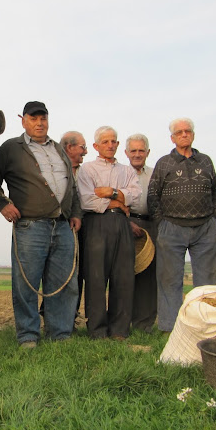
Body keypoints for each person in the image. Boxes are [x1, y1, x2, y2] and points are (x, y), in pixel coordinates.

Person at [0, 101, 81, 348]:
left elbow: (71, 184)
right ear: (23, 120)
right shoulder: (11, 148)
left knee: (64, 283)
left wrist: (76, 213)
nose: (39, 123)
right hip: (29, 226)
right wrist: (3, 204)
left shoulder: (59, 149)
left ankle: (60, 335)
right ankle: (28, 336)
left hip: (63, 225)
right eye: (33, 118)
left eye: (43, 118)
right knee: (26, 284)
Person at [148, 118, 216, 332]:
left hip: (205, 229)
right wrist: (162, 224)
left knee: (207, 282)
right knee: (169, 280)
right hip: (171, 227)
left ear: (193, 134)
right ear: (172, 138)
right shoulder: (164, 163)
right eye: (179, 132)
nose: (184, 134)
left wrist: (215, 220)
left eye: (187, 131)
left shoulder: (206, 161)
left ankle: (204, 327)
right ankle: (170, 328)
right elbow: (153, 196)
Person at [77, 126, 142, 339]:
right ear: (96, 146)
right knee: (96, 278)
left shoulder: (127, 170)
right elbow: (87, 199)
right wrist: (119, 200)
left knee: (123, 277)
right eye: (105, 142)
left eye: (113, 141)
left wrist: (110, 192)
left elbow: (136, 196)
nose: (110, 145)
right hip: (96, 223)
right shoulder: (87, 169)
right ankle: (97, 331)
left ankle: (120, 330)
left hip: (122, 224)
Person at [124, 134, 158, 333]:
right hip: (125, 223)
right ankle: (123, 322)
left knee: (148, 276)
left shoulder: (155, 174)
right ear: (126, 153)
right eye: (133, 151)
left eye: (141, 151)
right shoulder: (119, 173)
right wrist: (127, 222)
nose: (137, 155)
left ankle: (144, 324)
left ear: (147, 152)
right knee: (125, 275)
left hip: (150, 224)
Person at [60, 131, 88, 319]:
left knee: (79, 273)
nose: (85, 152)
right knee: (59, 272)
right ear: (69, 148)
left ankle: (71, 315)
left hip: (84, 228)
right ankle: (51, 313)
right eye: (82, 147)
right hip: (62, 227)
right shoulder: (58, 169)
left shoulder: (86, 172)